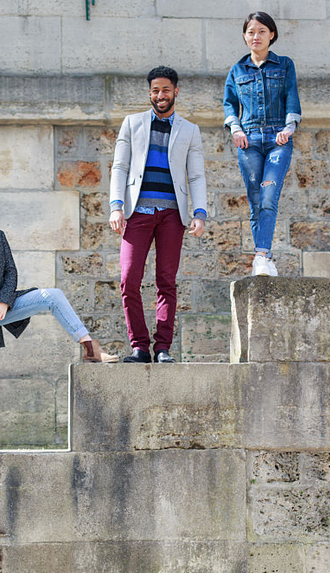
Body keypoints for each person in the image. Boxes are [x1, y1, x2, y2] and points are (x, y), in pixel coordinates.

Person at [0, 183, 118, 453]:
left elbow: (10, 271)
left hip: (0, 306)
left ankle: (89, 347)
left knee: (52, 296)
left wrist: (3, 302)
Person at [109, 65, 207, 364]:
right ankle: (139, 347)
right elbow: (120, 166)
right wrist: (116, 206)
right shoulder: (132, 123)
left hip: (171, 215)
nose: (160, 95)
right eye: (155, 90)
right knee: (129, 279)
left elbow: (196, 175)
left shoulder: (190, 130)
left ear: (175, 91)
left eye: (165, 90)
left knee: (166, 281)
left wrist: (200, 212)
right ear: (149, 93)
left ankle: (162, 347)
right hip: (137, 213)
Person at [223, 11, 301, 277]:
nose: (256, 36)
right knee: (256, 200)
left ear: (272, 34)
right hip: (249, 141)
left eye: (262, 31)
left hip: (278, 139)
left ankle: (261, 256)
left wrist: (289, 128)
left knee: (268, 196)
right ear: (245, 36)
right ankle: (264, 258)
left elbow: (291, 95)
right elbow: (229, 105)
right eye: (251, 32)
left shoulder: (285, 64)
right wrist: (235, 129)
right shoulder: (237, 70)